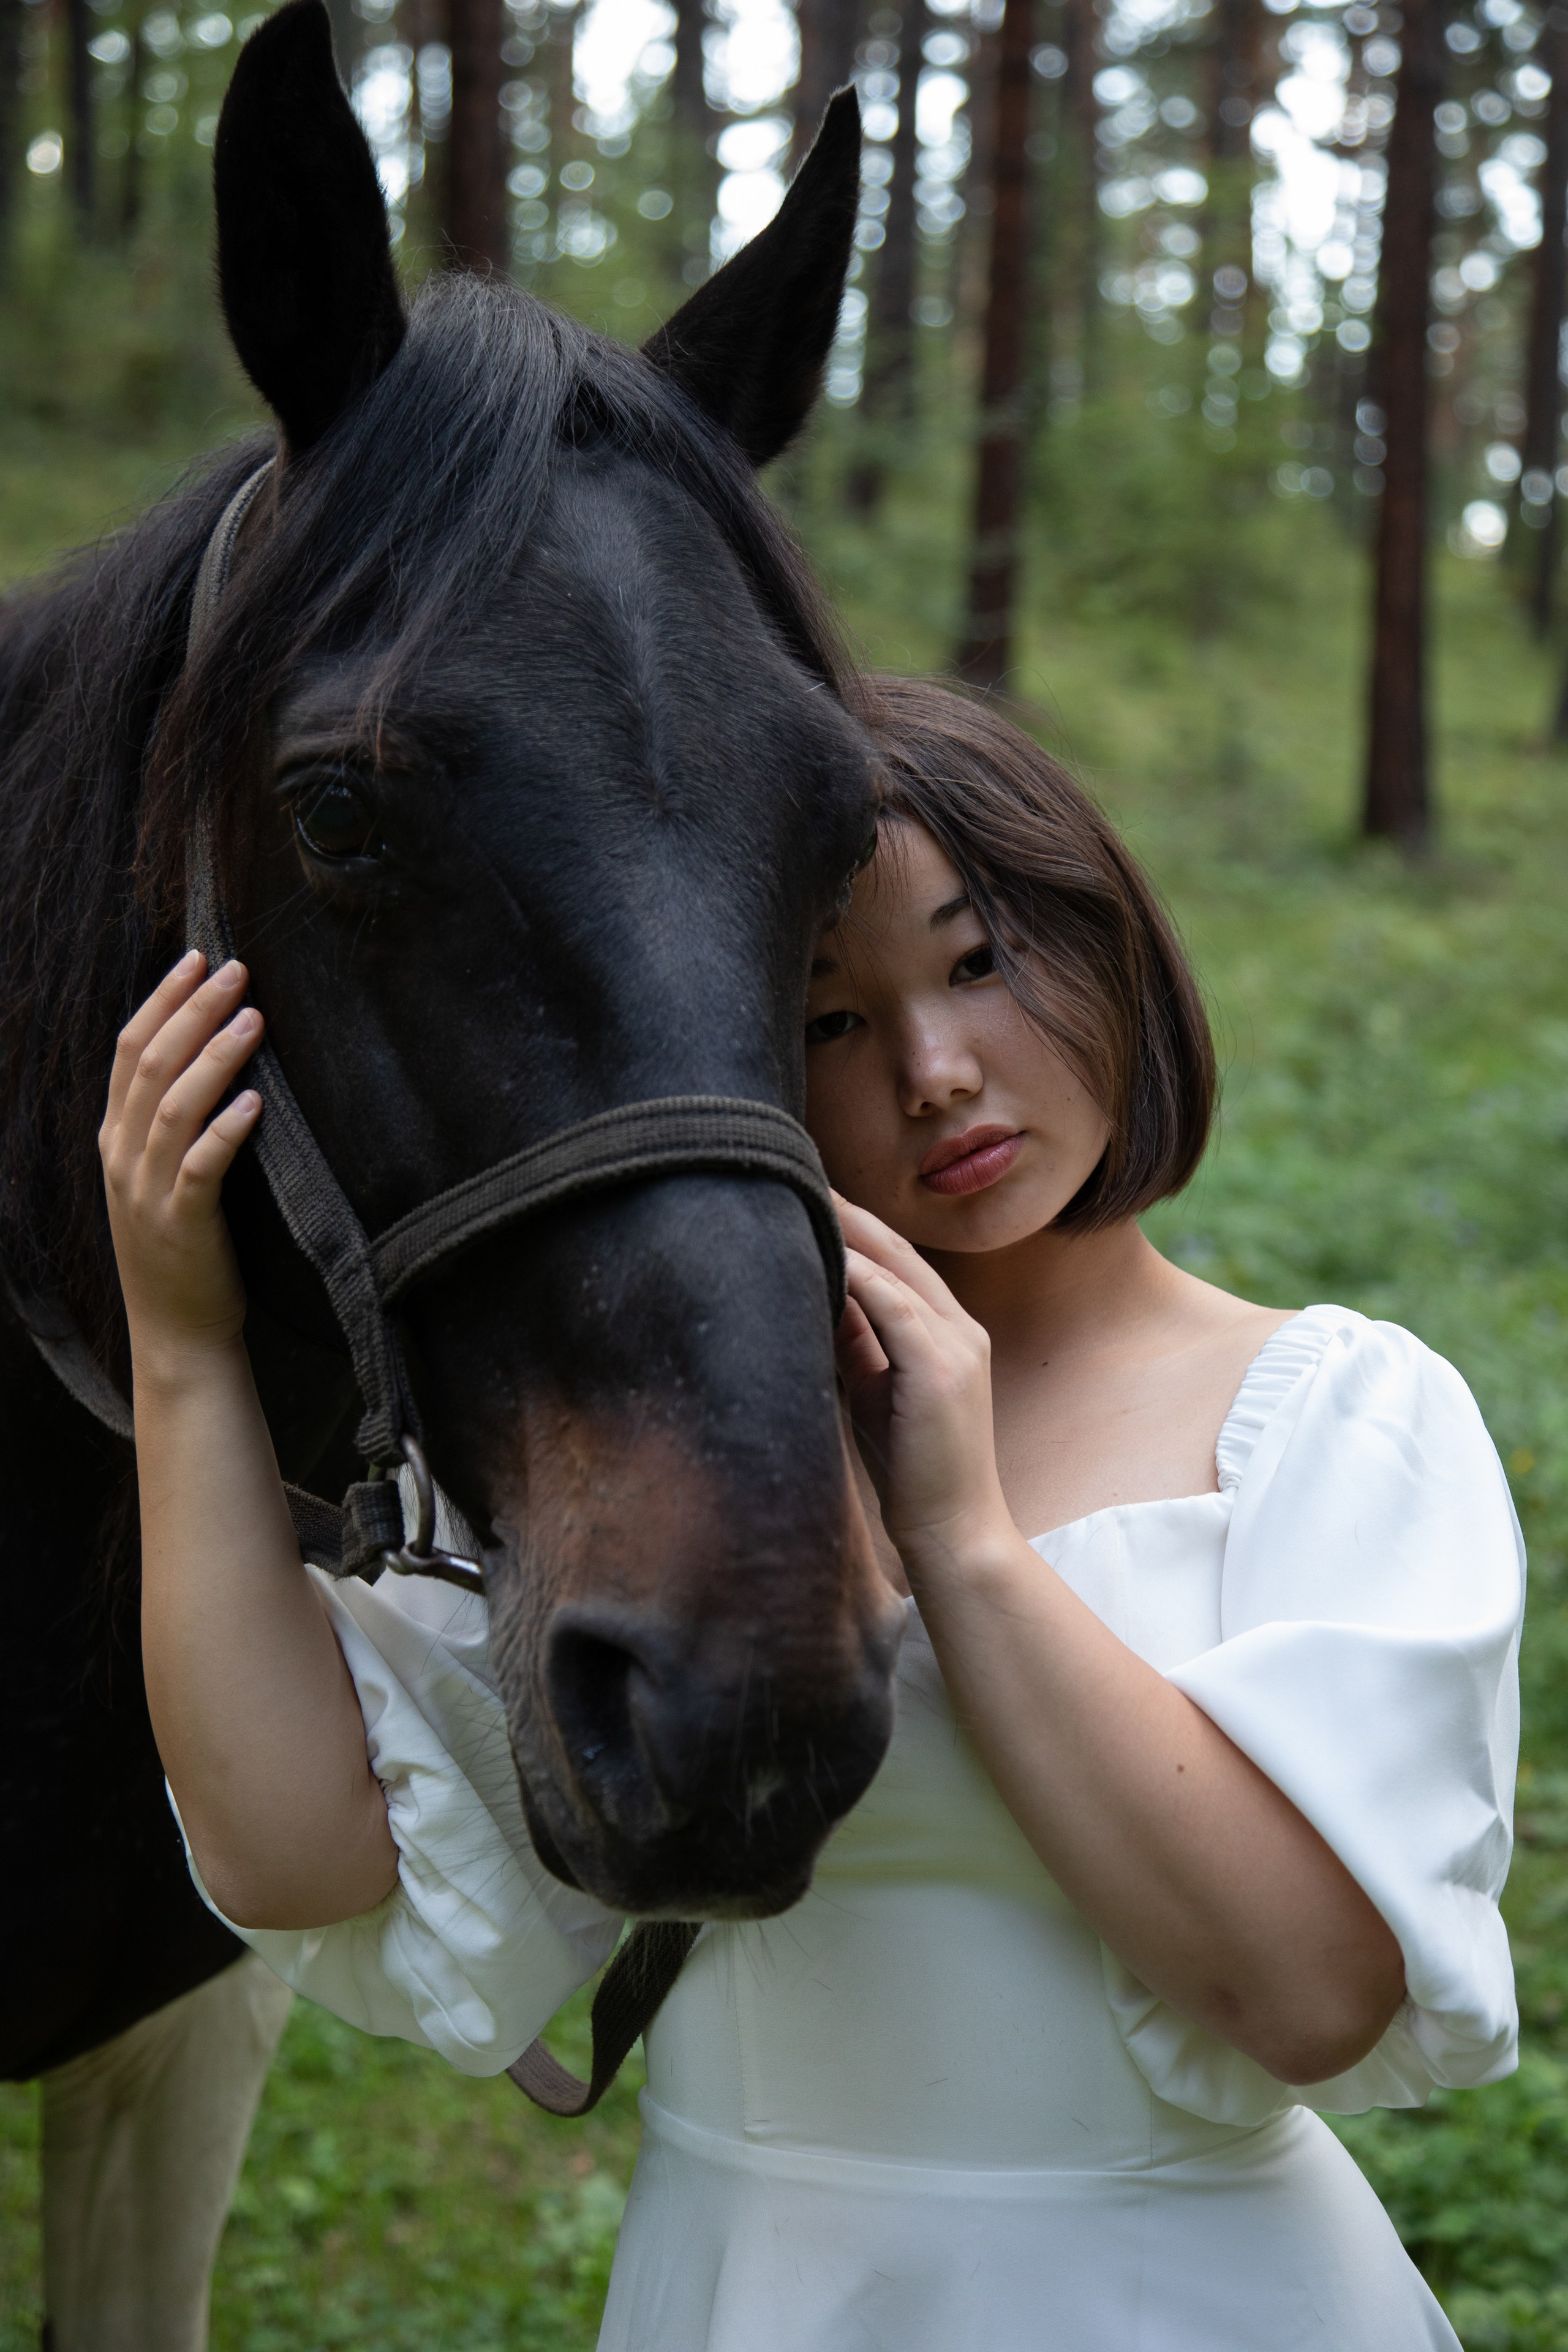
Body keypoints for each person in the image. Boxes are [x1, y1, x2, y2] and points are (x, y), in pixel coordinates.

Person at [103, 673, 1523, 2350]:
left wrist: (964, 1536)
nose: (934, 1070)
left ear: (1113, 941)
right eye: (833, 1019)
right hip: (745, 2295)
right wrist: (183, 1351)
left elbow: (1307, 1992)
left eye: (979, 959)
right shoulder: (668, 1453)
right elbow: (298, 1854)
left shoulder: (1335, 1416)